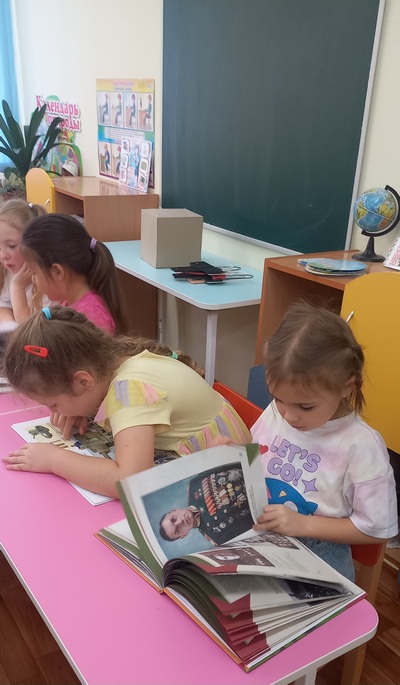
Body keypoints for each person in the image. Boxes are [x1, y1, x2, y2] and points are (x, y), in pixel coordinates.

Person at [2, 306, 251, 499]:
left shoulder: (128, 390)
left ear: (83, 382)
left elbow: (130, 481)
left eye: (53, 405)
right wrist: (82, 409)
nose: (53, 412)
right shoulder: (117, 358)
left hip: (230, 478)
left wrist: (54, 459)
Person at [251, 301, 398, 580]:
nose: (288, 415)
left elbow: (376, 528)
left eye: (305, 406)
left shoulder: (361, 446)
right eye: (277, 398)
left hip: (318, 555)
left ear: (347, 386)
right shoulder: (278, 412)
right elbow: (258, 456)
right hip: (262, 537)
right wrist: (232, 454)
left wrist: (303, 525)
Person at [21, 213, 125, 334]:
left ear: (57, 272)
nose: (33, 279)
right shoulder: (68, 303)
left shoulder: (92, 317)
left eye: (34, 272)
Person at [159, 463, 253, 545]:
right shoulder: (216, 536)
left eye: (173, 519)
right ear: (184, 535)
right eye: (177, 530)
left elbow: (226, 466)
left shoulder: (193, 485)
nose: (180, 522)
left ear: (174, 510)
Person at [0, 199, 49, 324]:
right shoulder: (12, 269)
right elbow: (4, 304)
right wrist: (9, 325)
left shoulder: (48, 282)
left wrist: (18, 286)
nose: (3, 256)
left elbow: (31, 327)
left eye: (11, 246)